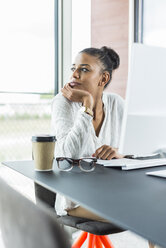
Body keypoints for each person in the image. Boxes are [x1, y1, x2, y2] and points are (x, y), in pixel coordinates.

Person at [51, 46, 124, 222]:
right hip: (75, 199)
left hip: (113, 191)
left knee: (158, 207)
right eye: (73, 68)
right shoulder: (63, 103)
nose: (74, 75)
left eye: (84, 69)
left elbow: (138, 150)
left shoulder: (116, 103)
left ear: (103, 78)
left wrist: (119, 154)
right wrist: (86, 104)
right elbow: (69, 154)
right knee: (147, 215)